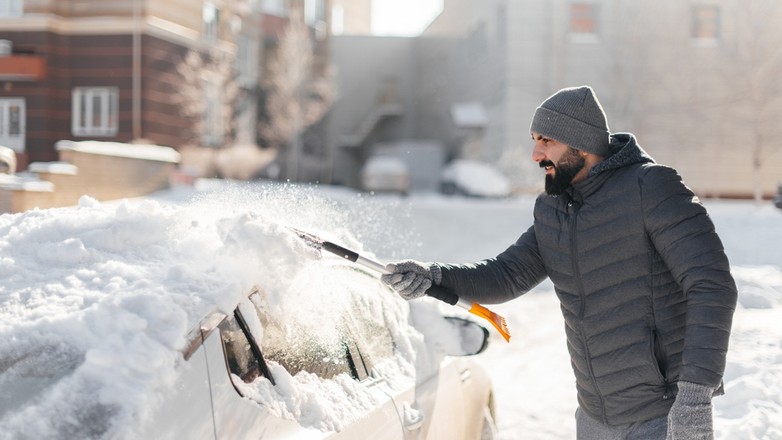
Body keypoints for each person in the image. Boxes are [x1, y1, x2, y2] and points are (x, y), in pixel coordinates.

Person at [381, 85, 737, 440]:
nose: (535, 154)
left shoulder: (651, 187)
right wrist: (433, 277)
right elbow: (506, 275)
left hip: (663, 416)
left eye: (546, 141)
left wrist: (694, 397)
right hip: (594, 418)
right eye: (535, 139)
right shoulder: (554, 209)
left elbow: (712, 286)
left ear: (581, 144)